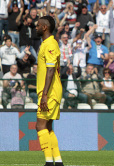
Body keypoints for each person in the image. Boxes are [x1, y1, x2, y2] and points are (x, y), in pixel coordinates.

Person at [35, 16, 64, 166]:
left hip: (50, 92)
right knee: (47, 127)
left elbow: (51, 70)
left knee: (39, 126)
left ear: (45, 27)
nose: (36, 27)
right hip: (50, 91)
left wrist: (45, 94)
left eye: (38, 25)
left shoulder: (50, 44)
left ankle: (48, 162)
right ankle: (57, 161)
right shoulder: (47, 43)